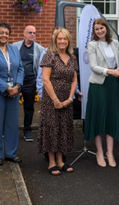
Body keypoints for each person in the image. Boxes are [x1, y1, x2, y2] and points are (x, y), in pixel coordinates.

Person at [84, 18, 119, 168]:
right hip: (98, 85)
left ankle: (109, 152)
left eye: (101, 28)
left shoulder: (115, 43)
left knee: (111, 117)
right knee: (99, 118)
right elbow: (93, 66)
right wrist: (110, 71)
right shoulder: (92, 45)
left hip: (112, 85)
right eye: (96, 29)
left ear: (106, 28)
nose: (99, 31)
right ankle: (99, 152)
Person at [38, 27, 78, 175]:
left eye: (64, 39)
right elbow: (45, 80)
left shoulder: (72, 58)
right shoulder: (49, 55)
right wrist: (55, 99)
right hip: (51, 99)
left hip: (66, 100)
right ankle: (52, 162)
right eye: (59, 39)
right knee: (51, 129)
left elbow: (74, 80)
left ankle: (61, 161)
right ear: (55, 40)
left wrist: (69, 98)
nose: (62, 41)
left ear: (68, 41)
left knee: (63, 128)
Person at [0, 22, 24, 166]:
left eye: (6, 33)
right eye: (1, 33)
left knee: (12, 124)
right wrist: (6, 88)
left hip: (14, 93)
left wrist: (17, 86)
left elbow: (20, 68)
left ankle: (11, 153)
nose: (4, 35)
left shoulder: (14, 49)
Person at [12, 25, 45, 142]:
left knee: (29, 107)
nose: (32, 35)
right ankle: (9, 130)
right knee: (11, 106)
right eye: (30, 32)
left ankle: (27, 130)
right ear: (24, 34)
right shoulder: (14, 46)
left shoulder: (40, 49)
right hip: (15, 81)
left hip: (30, 81)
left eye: (34, 33)